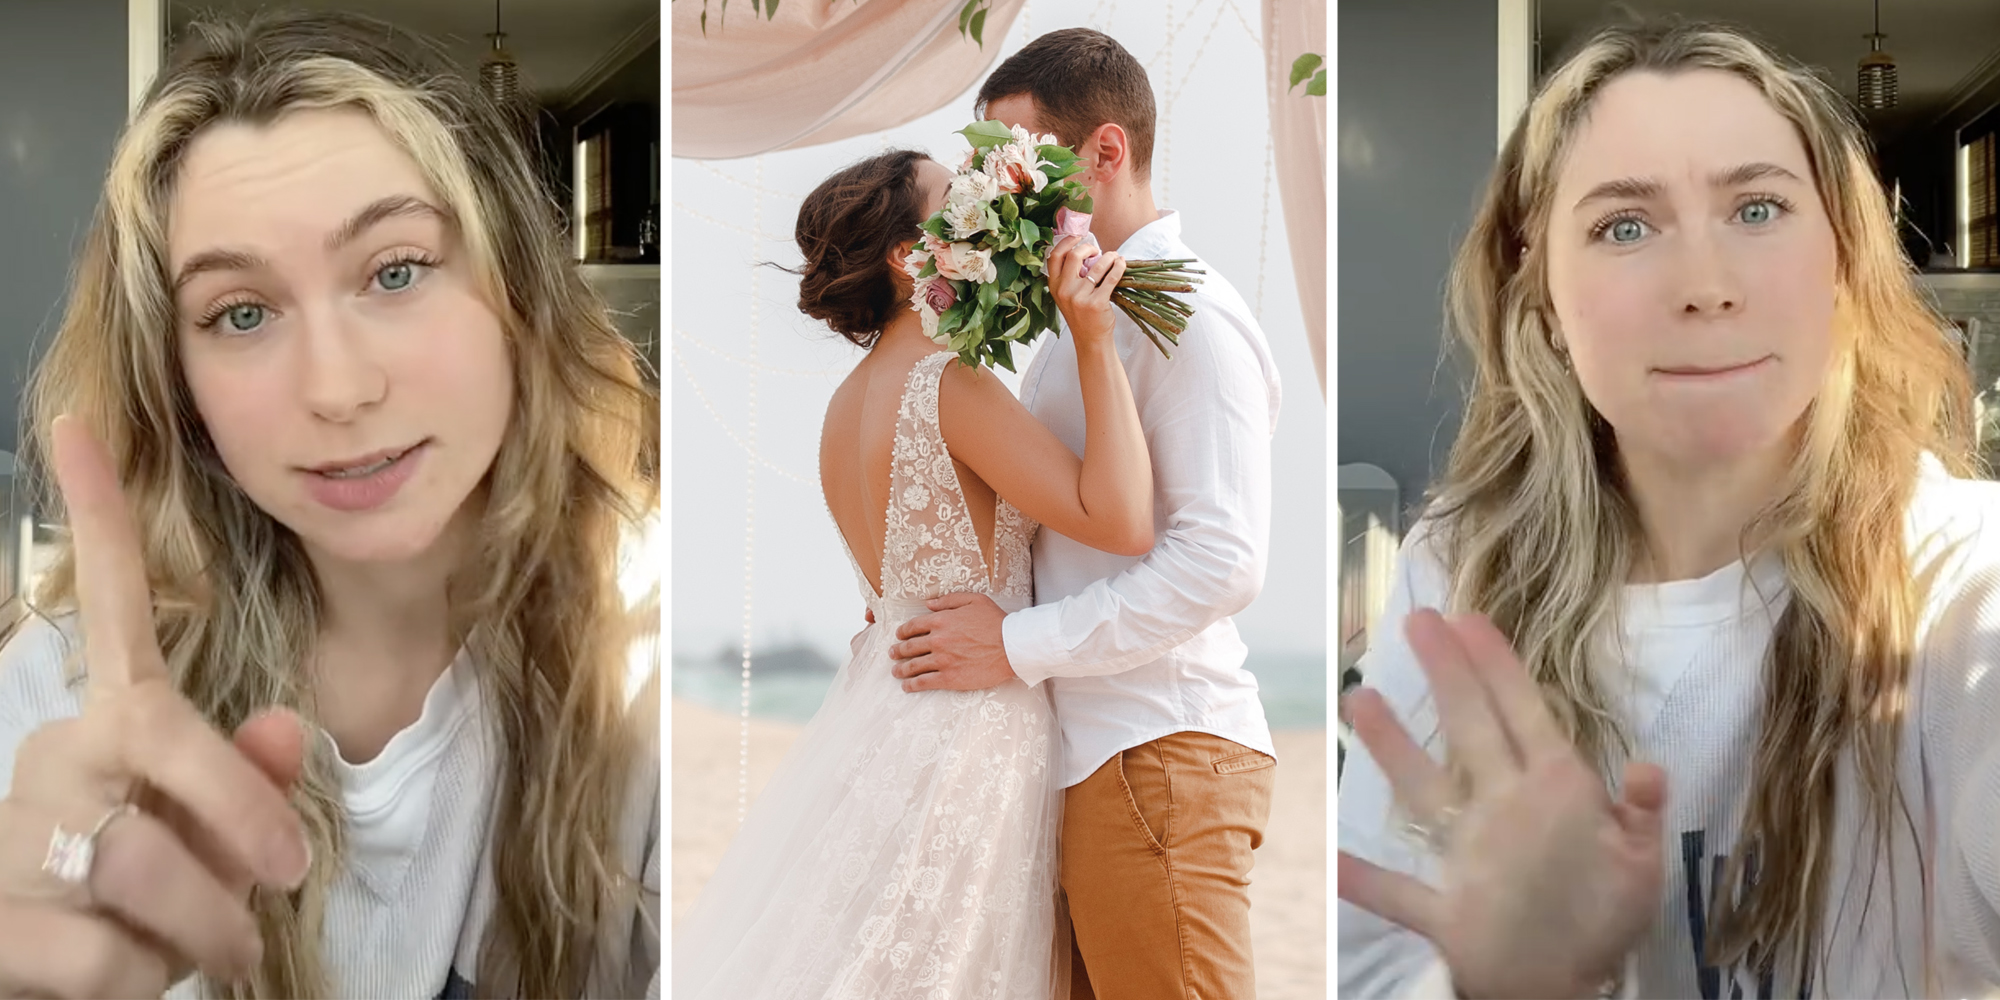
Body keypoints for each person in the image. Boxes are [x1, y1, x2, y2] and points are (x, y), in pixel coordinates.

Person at [0, 11, 660, 1000]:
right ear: (179, 382)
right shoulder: (68, 685)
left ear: (517, 294)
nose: (337, 390)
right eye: (242, 313)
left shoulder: (668, 668)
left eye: (396, 271)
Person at [1337, 18, 2000, 1000]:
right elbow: (1369, 958)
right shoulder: (1458, 567)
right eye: (1623, 226)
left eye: (1757, 208)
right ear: (1543, 300)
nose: (1703, 287)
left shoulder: (1963, 575)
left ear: (1840, 266)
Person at [670, 145, 1152, 998]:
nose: (974, 200)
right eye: (952, 197)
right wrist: (1095, 338)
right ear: (907, 255)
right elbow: (1119, 518)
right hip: (969, 722)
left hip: (883, 710)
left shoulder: (843, 407)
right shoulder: (948, 383)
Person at [886, 28, 1283, 1000]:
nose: (997, 198)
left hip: (1157, 749)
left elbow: (1222, 560)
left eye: (1019, 167)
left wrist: (1017, 643)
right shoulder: (1086, 321)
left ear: (1107, 152)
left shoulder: (1181, 312)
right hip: (1099, 753)